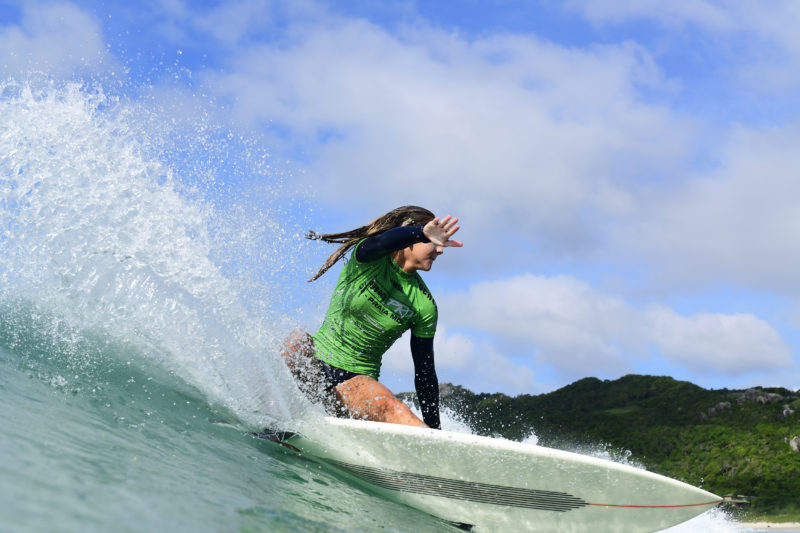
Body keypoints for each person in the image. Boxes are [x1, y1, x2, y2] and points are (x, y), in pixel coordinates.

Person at [281, 206, 462, 429]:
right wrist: (421, 233)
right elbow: (380, 242)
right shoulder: (369, 260)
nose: (440, 250)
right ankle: (273, 419)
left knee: (394, 408)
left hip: (355, 382)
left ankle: (432, 448)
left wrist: (435, 429)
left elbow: (425, 373)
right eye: (433, 242)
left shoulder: (424, 305)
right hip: (314, 366)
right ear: (410, 240)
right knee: (296, 341)